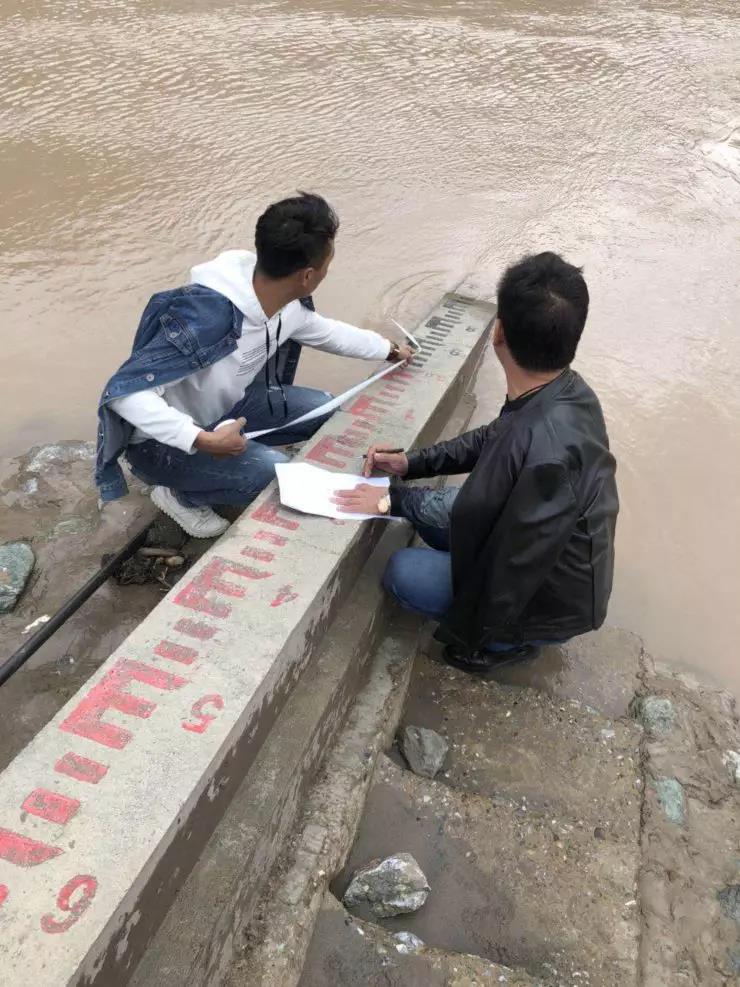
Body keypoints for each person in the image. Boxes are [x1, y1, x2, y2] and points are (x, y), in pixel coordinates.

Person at [333, 251, 619, 675]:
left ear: (498, 331)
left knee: (403, 573)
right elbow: (490, 438)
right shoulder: (567, 392)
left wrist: (389, 499)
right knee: (430, 520)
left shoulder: (539, 447)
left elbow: (475, 518)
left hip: (546, 601)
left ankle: (506, 644)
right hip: (546, 564)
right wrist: (411, 464)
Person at [95, 192, 412, 537]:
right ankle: (181, 496)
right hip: (158, 444)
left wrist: (388, 349)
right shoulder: (203, 320)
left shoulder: (283, 303)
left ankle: (220, 469)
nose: (327, 272)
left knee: (325, 409)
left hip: (230, 408)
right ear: (307, 276)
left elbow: (325, 332)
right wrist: (202, 439)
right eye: (327, 264)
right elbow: (125, 395)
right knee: (273, 474)